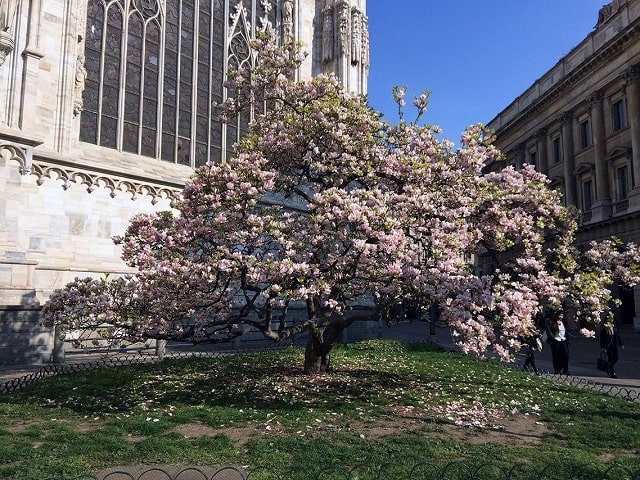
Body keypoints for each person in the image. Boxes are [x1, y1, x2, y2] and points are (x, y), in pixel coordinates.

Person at [547, 310, 570, 375]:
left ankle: (565, 369)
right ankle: (557, 369)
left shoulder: (564, 322)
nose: (561, 317)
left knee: (566, 354)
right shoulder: (553, 322)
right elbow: (549, 331)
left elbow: (566, 331)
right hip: (556, 340)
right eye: (560, 315)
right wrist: (552, 338)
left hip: (563, 340)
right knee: (556, 355)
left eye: (562, 315)